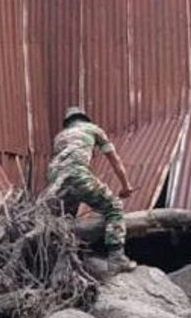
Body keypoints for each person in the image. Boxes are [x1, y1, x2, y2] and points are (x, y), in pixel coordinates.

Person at [45, 106, 137, 272]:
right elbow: (115, 161)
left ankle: (63, 264)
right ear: (85, 119)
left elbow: (60, 165)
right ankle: (117, 258)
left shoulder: (60, 137)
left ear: (68, 123)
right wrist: (126, 186)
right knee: (114, 207)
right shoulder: (93, 129)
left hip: (55, 182)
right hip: (77, 175)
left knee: (65, 222)